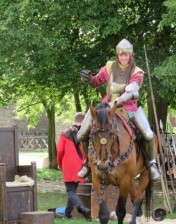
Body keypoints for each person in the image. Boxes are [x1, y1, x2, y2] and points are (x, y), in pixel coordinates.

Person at [77, 38, 160, 181]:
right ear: (117, 55)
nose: (123, 57)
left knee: (147, 134)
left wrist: (117, 102)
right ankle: (88, 164)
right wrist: (89, 79)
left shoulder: (137, 72)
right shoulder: (109, 67)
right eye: (121, 54)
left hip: (128, 108)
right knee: (81, 134)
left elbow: (132, 91)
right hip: (105, 107)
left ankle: (151, 163)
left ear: (130, 55)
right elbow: (97, 81)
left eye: (126, 55)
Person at [57, 112, 91, 221]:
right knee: (73, 191)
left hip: (68, 164)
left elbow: (60, 150)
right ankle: (67, 215)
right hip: (82, 165)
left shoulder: (65, 133)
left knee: (70, 191)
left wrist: (59, 163)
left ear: (74, 120)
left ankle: (81, 208)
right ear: (84, 121)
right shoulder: (87, 133)